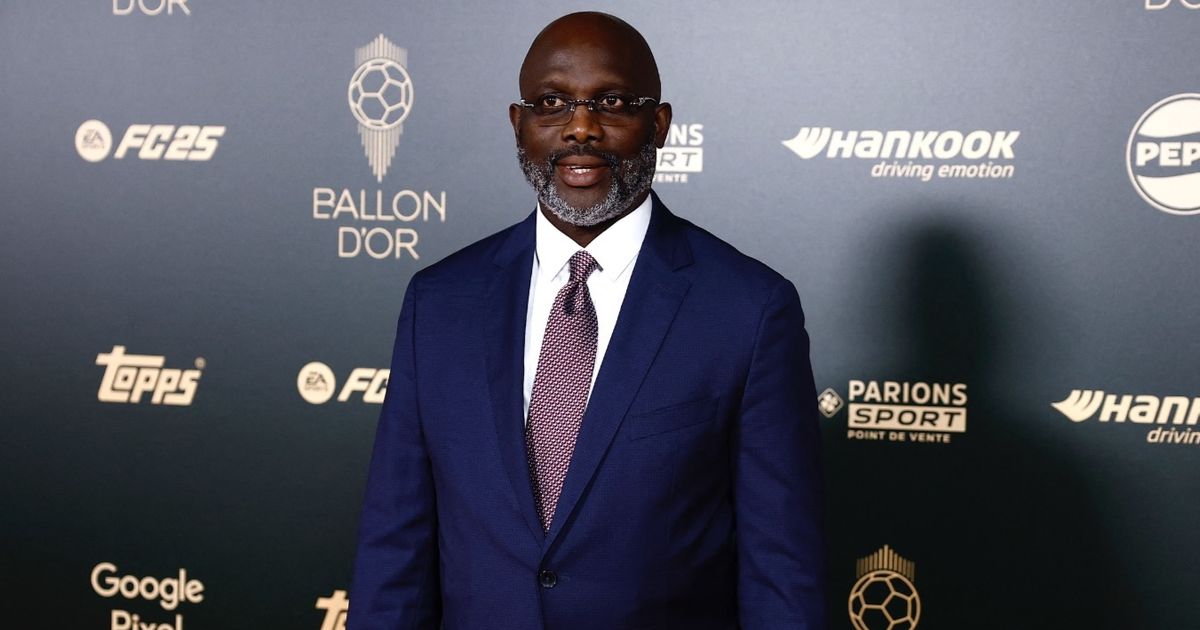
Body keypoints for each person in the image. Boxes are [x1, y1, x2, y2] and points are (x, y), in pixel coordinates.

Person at [349, 11, 825, 629]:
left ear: (659, 125)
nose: (581, 127)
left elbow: (782, 571)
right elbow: (394, 546)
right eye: (552, 103)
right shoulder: (439, 303)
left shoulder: (749, 309)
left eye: (612, 103)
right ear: (518, 125)